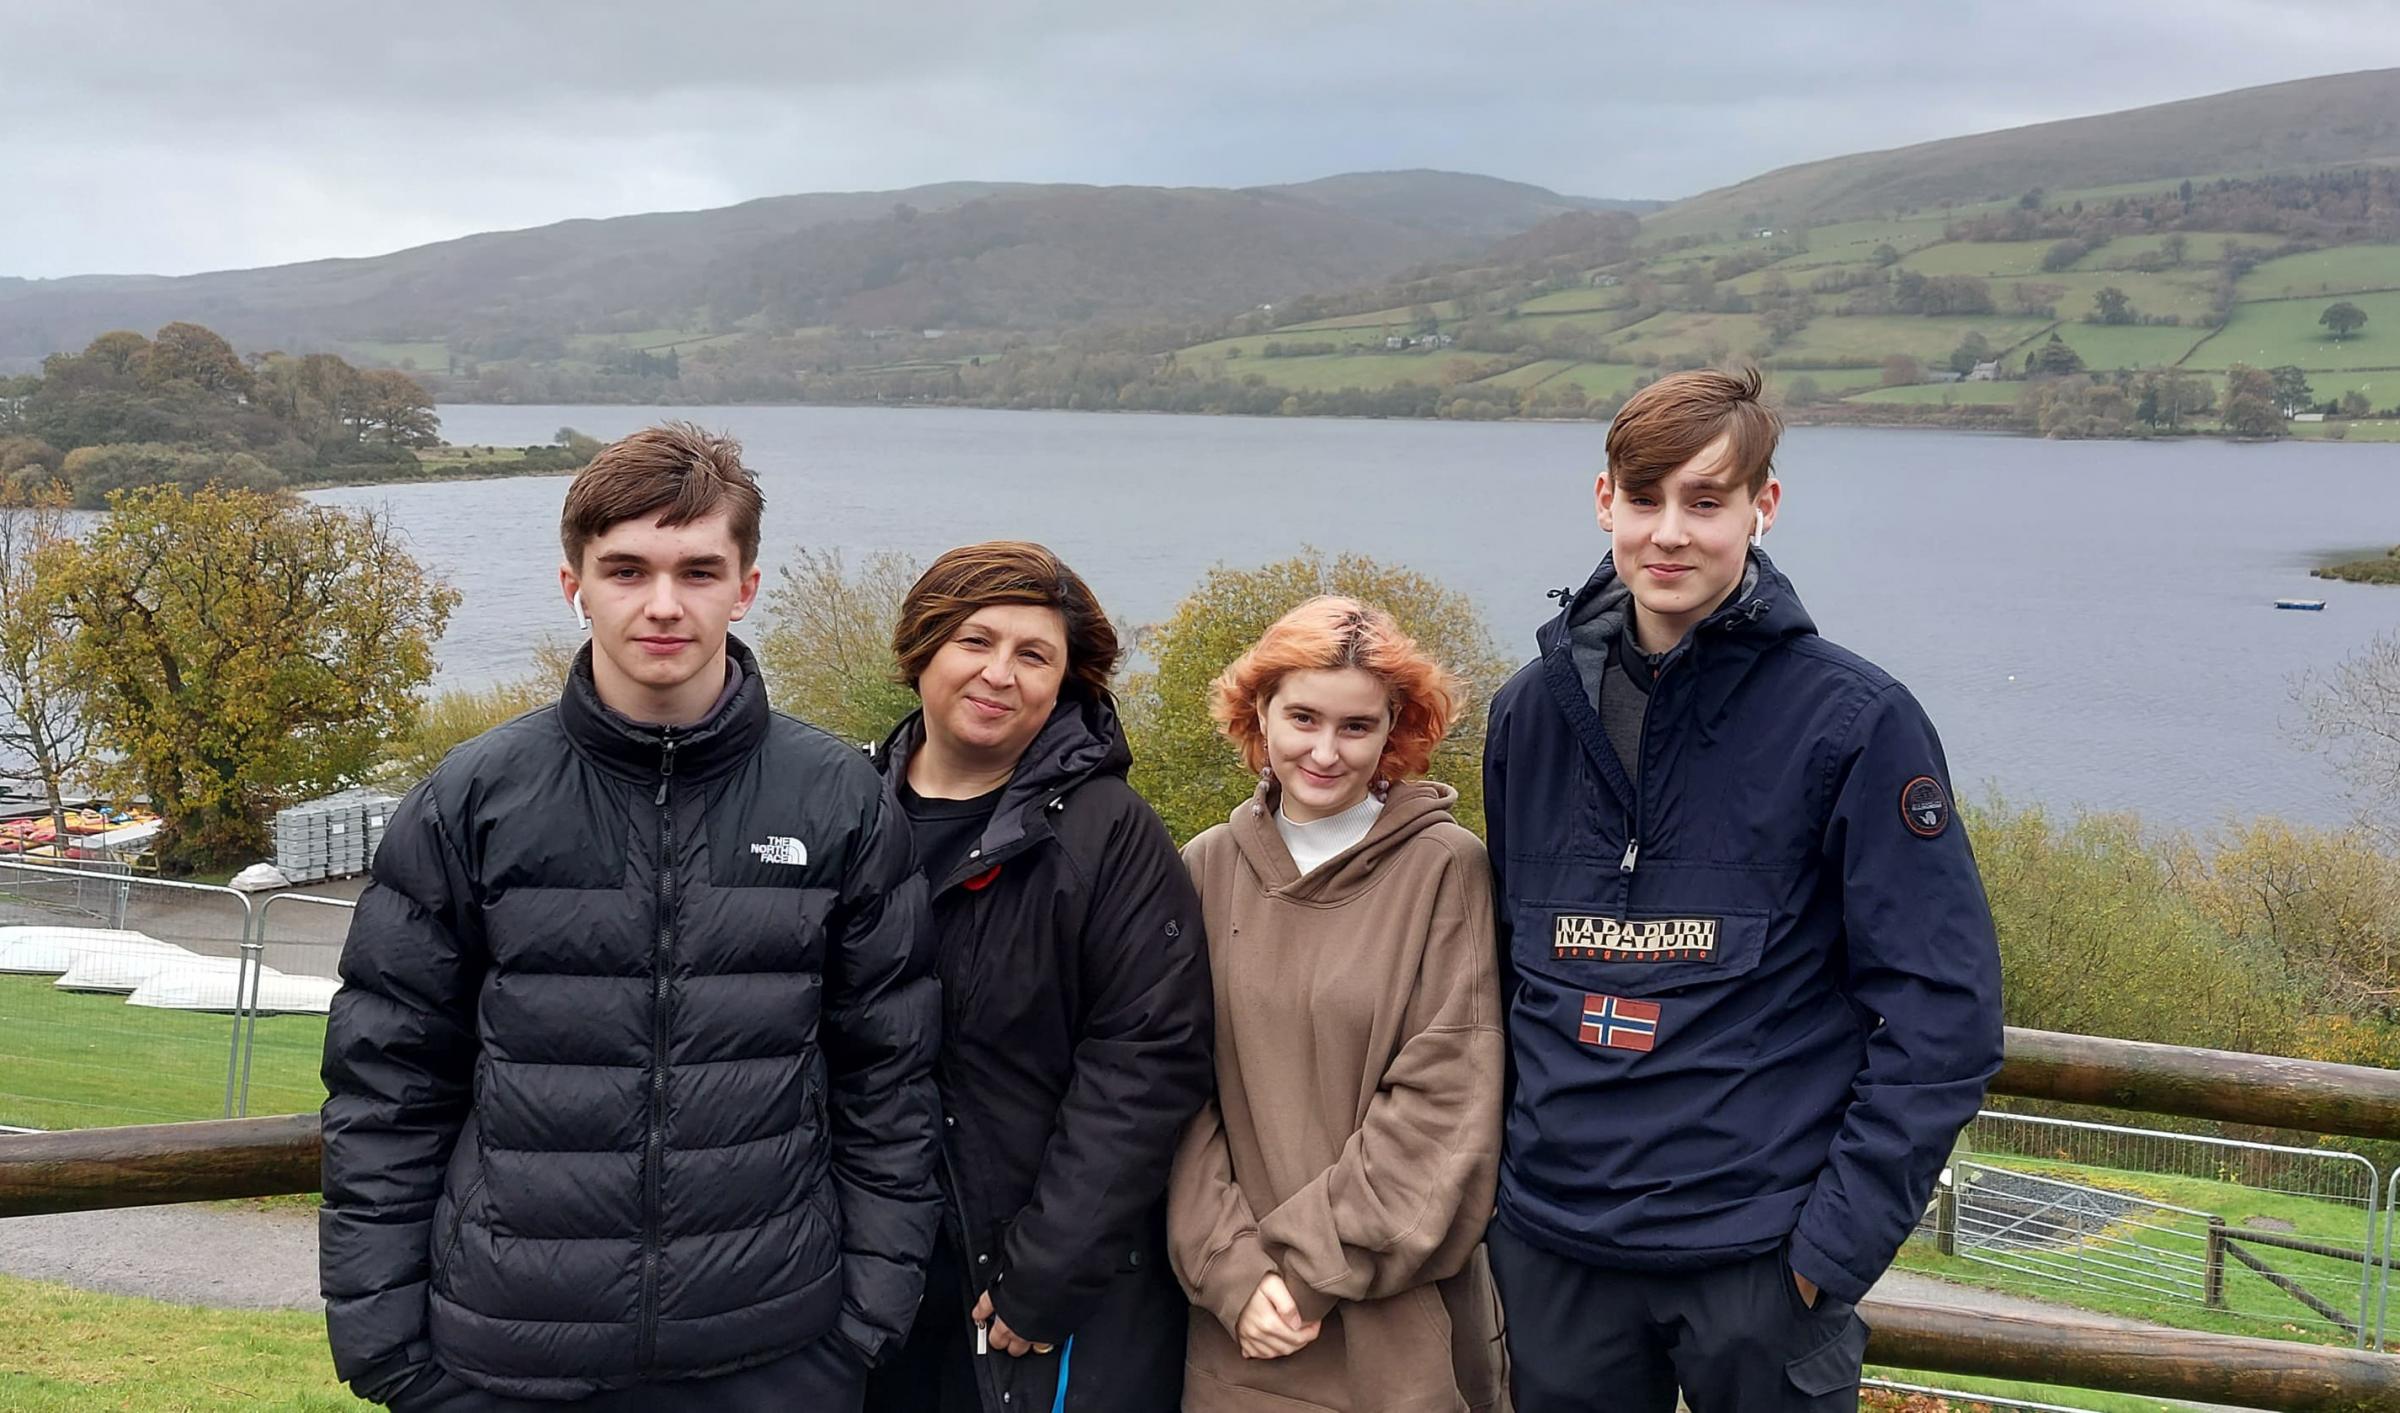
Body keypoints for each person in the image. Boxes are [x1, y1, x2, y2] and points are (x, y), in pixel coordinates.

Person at [320, 423, 942, 1411]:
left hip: (772, 1351)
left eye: (699, 571)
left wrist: (860, 1325)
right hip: (507, 1357)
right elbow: (388, 1086)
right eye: (626, 570)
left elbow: (890, 1084)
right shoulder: (471, 799)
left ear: (746, 587)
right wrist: (388, 1344)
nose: (662, 604)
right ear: (575, 586)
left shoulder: (838, 800)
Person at [1481, 367, 2004, 1412]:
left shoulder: (1856, 723)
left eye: (1706, 502)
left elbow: (1943, 1014)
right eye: (1646, 499)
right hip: (1552, 1254)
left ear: (1763, 509)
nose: (1670, 533)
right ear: (1604, 503)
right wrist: (1502, 1211)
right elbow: (1494, 978)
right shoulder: (1528, 716)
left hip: (1757, 1262)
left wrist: (1823, 1259)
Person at [861, 541, 1213, 1413]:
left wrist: (1049, 1268)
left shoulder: (1106, 832)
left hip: (1029, 1285)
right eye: (974, 641)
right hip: (869, 1272)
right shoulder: (844, 810)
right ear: (922, 651)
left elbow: (1147, 1057)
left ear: (1067, 681)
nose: (998, 674)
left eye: (1033, 655)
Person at [1168, 596, 1506, 1413]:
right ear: (1259, 713)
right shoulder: (1202, 868)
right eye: (1303, 717)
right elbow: (1170, 1092)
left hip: (1398, 1336)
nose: (1324, 751)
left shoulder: (1446, 870)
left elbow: (1444, 1108)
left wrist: (1305, 1272)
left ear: (1397, 730)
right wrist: (1235, 1272)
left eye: (1356, 726)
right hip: (1238, 1326)